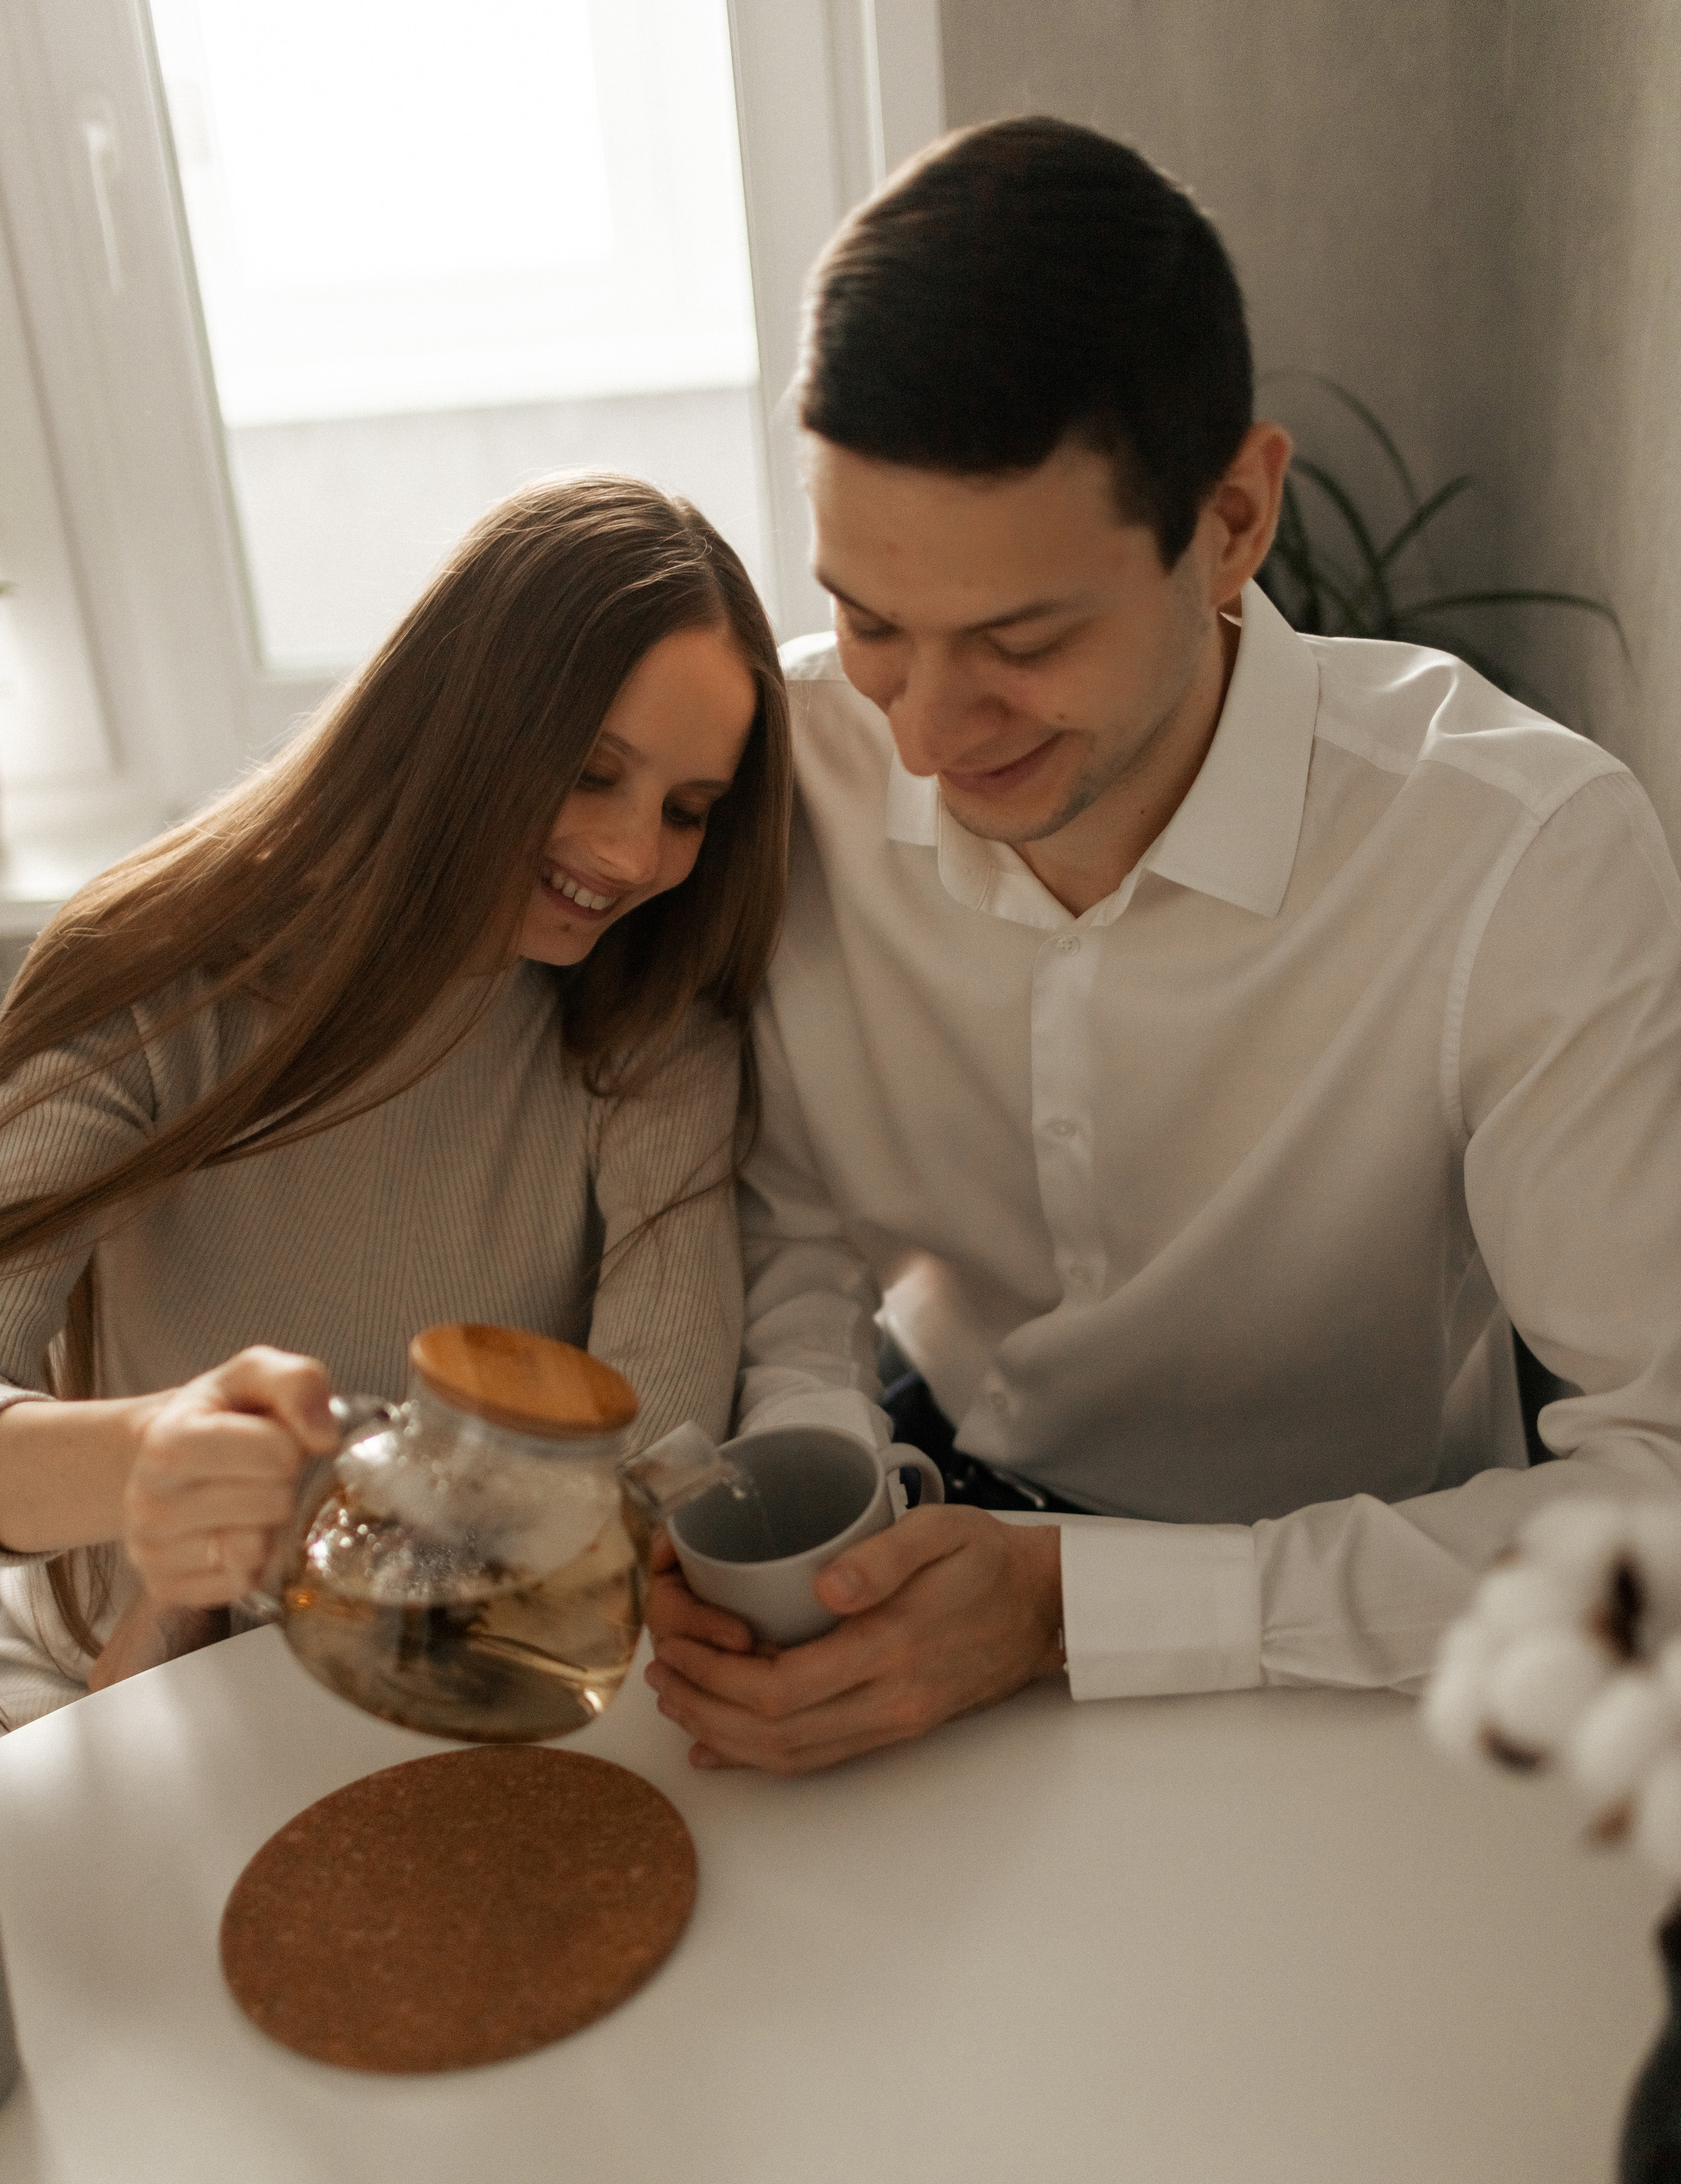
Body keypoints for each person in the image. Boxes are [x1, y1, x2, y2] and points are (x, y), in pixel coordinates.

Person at [644, 116, 1681, 1774]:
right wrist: (814, 1483)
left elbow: (1657, 1507)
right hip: (920, 1492)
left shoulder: (1521, 858)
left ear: (1232, 520)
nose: (917, 735)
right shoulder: (782, 760)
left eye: (1023, 640)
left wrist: (1074, 1606)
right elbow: (793, 1211)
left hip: (1352, 1608)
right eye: (872, 622)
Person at [0, 473, 790, 1726]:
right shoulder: (155, 978)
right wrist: (148, 1467)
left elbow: (642, 1478)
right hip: (106, 1687)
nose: (637, 856)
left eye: (688, 811)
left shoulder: (653, 1030)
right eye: (592, 773)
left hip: (475, 1668)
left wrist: (311, 1581)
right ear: (460, 719)